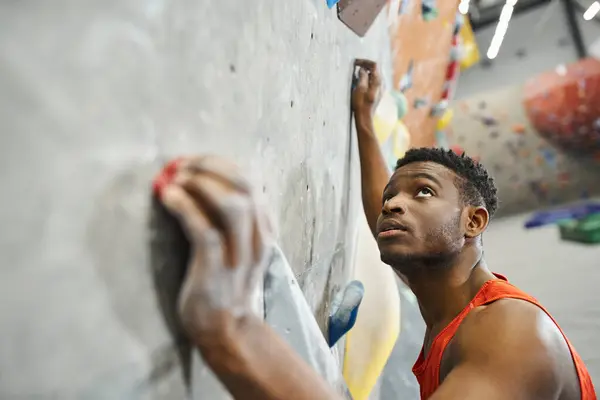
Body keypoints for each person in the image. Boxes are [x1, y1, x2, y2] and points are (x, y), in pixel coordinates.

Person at [157, 59, 596, 399]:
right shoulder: (445, 285)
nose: (394, 206)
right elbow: (382, 212)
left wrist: (230, 323)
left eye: (423, 192)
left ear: (474, 221)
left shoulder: (510, 333)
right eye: (392, 197)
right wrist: (365, 121)